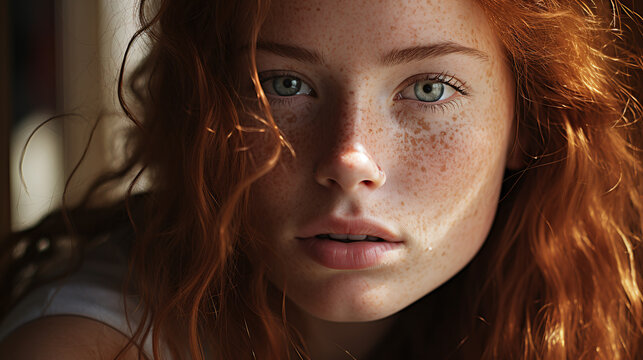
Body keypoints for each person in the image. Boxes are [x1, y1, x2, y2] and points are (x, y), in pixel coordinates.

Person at [1, 0, 642, 358]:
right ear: (206, 111)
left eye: (428, 88)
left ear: (524, 122)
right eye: (284, 85)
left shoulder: (568, 315)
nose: (350, 157)